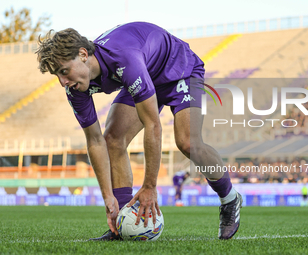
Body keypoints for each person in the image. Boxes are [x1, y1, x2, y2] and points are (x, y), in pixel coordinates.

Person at [36, 22, 242, 240]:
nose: (62, 82)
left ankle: (230, 199)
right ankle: (123, 221)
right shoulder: (75, 88)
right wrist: (108, 198)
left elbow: (153, 124)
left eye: (64, 71)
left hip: (179, 70)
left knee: (187, 142)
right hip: (146, 74)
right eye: (57, 75)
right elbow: (95, 141)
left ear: (83, 54)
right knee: (112, 139)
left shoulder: (123, 59)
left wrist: (150, 186)